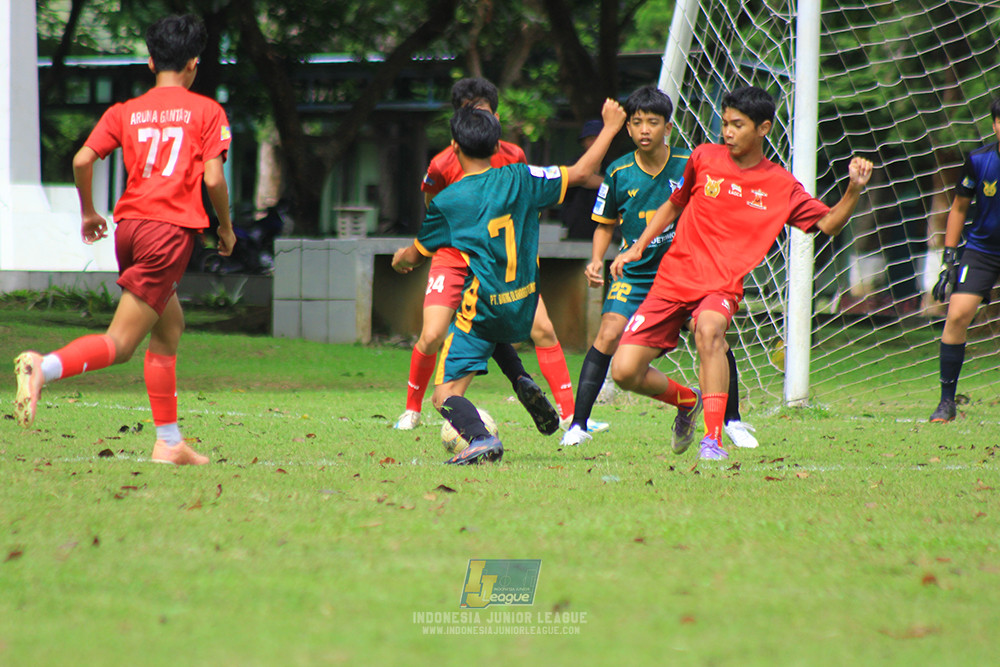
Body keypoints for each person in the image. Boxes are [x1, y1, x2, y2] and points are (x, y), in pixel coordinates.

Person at [13, 14, 235, 465]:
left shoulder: (124, 112)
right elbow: (213, 178)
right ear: (194, 63)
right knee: (121, 343)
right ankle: (44, 366)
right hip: (168, 233)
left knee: (169, 328)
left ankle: (169, 442)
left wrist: (89, 211)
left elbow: (81, 159)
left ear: (152, 62)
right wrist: (226, 228)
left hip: (130, 230)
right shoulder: (207, 111)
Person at [609, 85, 873, 460]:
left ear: (763, 128)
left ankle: (712, 440)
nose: (727, 132)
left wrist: (853, 190)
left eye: (737, 125)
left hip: (721, 283)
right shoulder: (703, 157)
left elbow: (828, 224)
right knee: (624, 371)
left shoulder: (781, 185)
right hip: (674, 276)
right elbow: (673, 204)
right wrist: (637, 246)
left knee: (710, 329)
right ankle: (687, 401)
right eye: (725, 123)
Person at [392, 99, 627, 464]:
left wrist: (400, 260)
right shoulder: (523, 177)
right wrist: (610, 127)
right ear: (497, 144)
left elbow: (417, 253)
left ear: (454, 147)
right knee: (502, 330)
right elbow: (581, 173)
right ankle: (520, 379)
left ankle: (481, 438)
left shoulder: (449, 200)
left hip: (484, 309)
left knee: (444, 396)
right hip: (524, 303)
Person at [560, 86, 758, 449]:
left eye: (653, 122)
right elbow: (605, 224)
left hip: (687, 276)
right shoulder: (618, 172)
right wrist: (595, 260)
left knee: (710, 334)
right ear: (629, 129)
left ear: (668, 128)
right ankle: (579, 424)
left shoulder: (690, 165)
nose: (644, 129)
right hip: (636, 276)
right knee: (607, 335)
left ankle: (732, 420)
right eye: (636, 123)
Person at [928, 98, 1000, 422]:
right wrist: (948, 259)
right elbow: (958, 208)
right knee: (957, 315)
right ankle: (946, 401)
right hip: (982, 250)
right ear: (994, 124)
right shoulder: (979, 160)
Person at [560, 119, 604, 240]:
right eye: (590, 139)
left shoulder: (613, 166)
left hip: (605, 228)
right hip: (577, 226)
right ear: (583, 142)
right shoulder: (573, 163)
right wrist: (609, 182)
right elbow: (582, 177)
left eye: (598, 139)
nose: (594, 143)